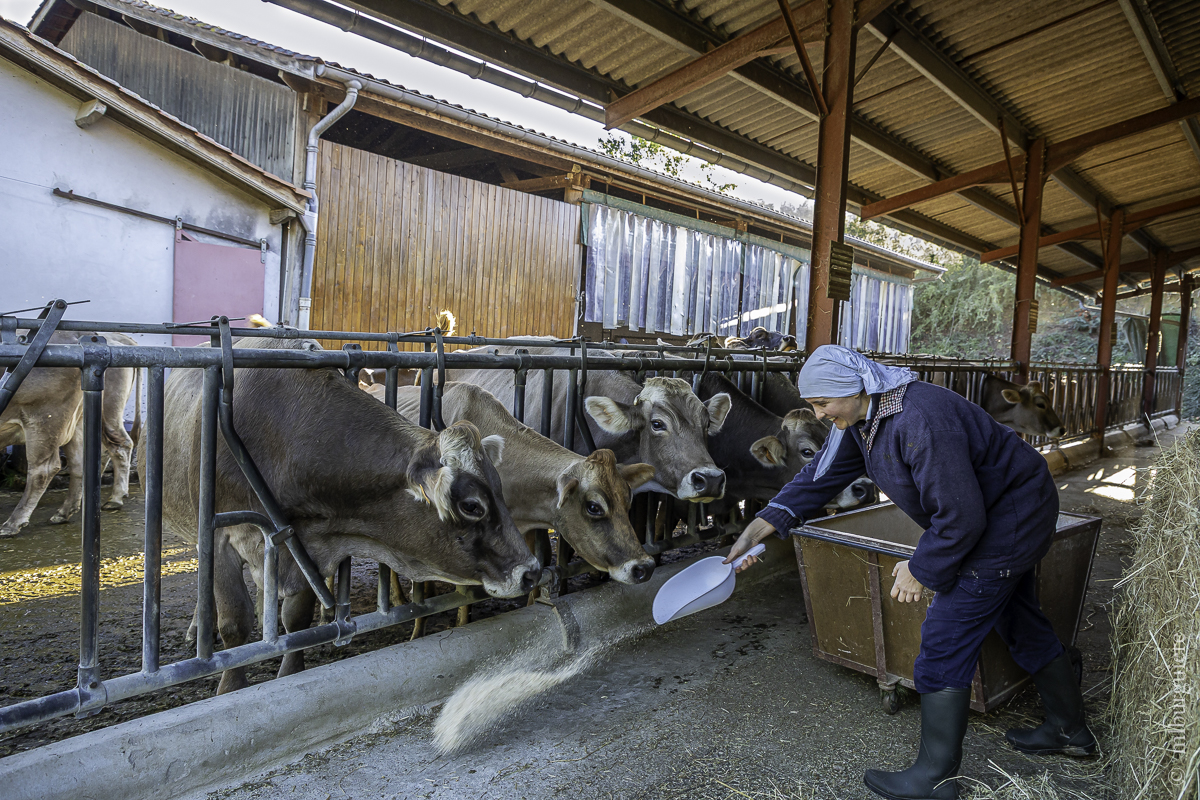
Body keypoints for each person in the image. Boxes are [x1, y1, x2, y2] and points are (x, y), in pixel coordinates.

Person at [724, 345, 1095, 800]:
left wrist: (922, 568)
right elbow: (821, 476)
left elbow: (960, 518)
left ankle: (935, 780)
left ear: (855, 389)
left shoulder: (920, 419)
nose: (819, 414)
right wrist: (761, 526)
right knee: (1018, 619)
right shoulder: (866, 417)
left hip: (1010, 519)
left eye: (823, 403)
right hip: (995, 514)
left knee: (944, 641)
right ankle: (1069, 731)